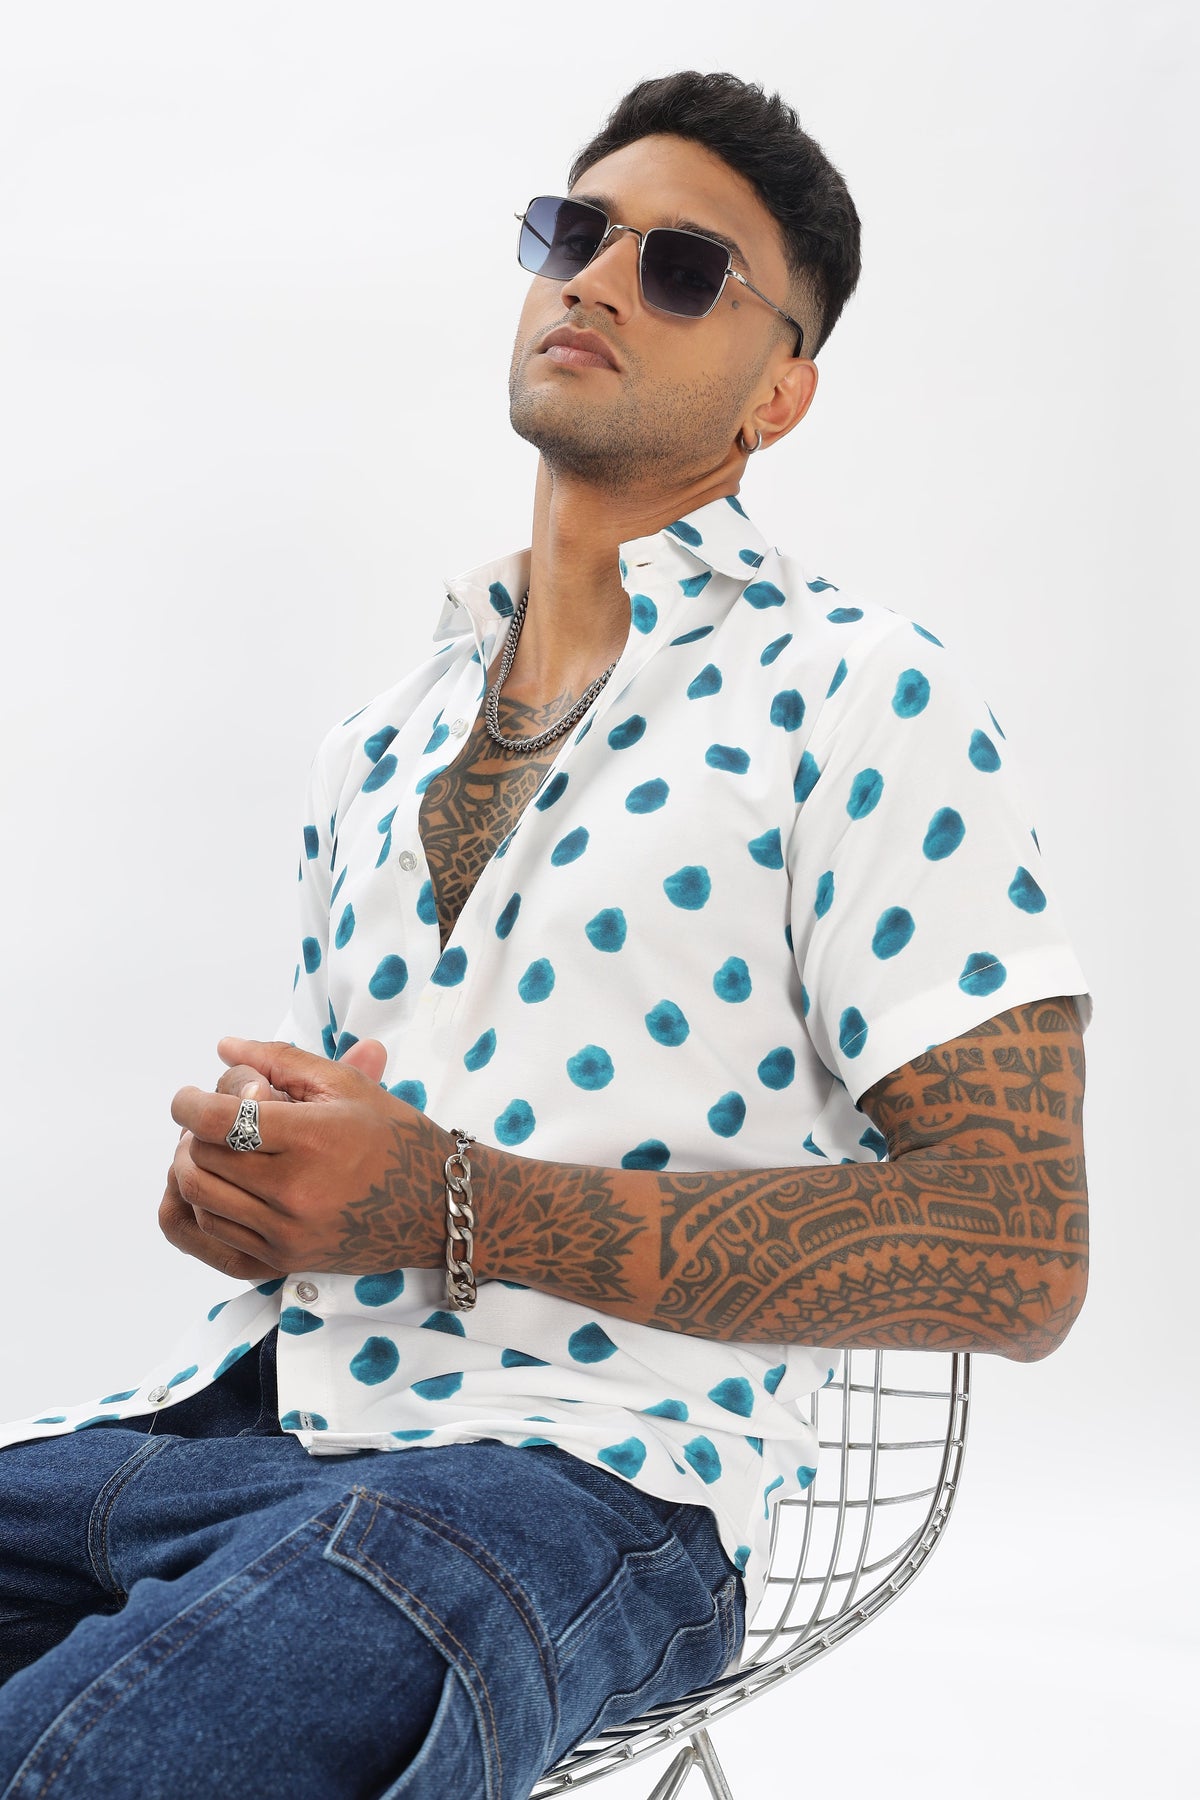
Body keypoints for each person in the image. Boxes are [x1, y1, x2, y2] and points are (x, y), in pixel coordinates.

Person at [0, 70, 1090, 1799]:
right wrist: (254, 1188)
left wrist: (448, 1201)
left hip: (571, 1479)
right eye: (576, 230)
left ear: (781, 391)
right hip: (200, 1430)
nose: (594, 276)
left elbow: (1018, 1252)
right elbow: (353, 1148)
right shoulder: (380, 738)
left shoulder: (861, 695)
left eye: (682, 266)